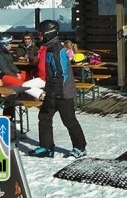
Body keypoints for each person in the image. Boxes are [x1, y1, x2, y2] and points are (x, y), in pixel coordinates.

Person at [28, 20, 87, 158]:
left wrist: (53, 92)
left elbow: (62, 75)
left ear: (49, 33)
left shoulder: (57, 50)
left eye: (41, 34)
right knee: (44, 117)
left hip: (63, 92)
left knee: (69, 120)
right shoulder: (49, 48)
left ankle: (80, 147)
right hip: (53, 91)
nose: (39, 36)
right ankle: (46, 147)